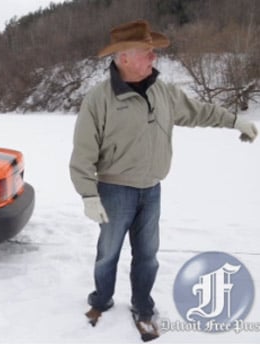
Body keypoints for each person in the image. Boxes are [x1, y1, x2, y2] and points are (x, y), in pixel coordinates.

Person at [69, 19, 257, 334]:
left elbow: (200, 111)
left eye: (153, 51)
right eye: (147, 52)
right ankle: (101, 299)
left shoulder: (163, 92)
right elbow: (83, 153)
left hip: (152, 189)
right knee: (108, 253)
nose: (154, 57)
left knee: (148, 256)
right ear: (124, 58)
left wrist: (235, 120)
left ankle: (143, 307)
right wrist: (88, 194)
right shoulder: (99, 99)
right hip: (115, 191)